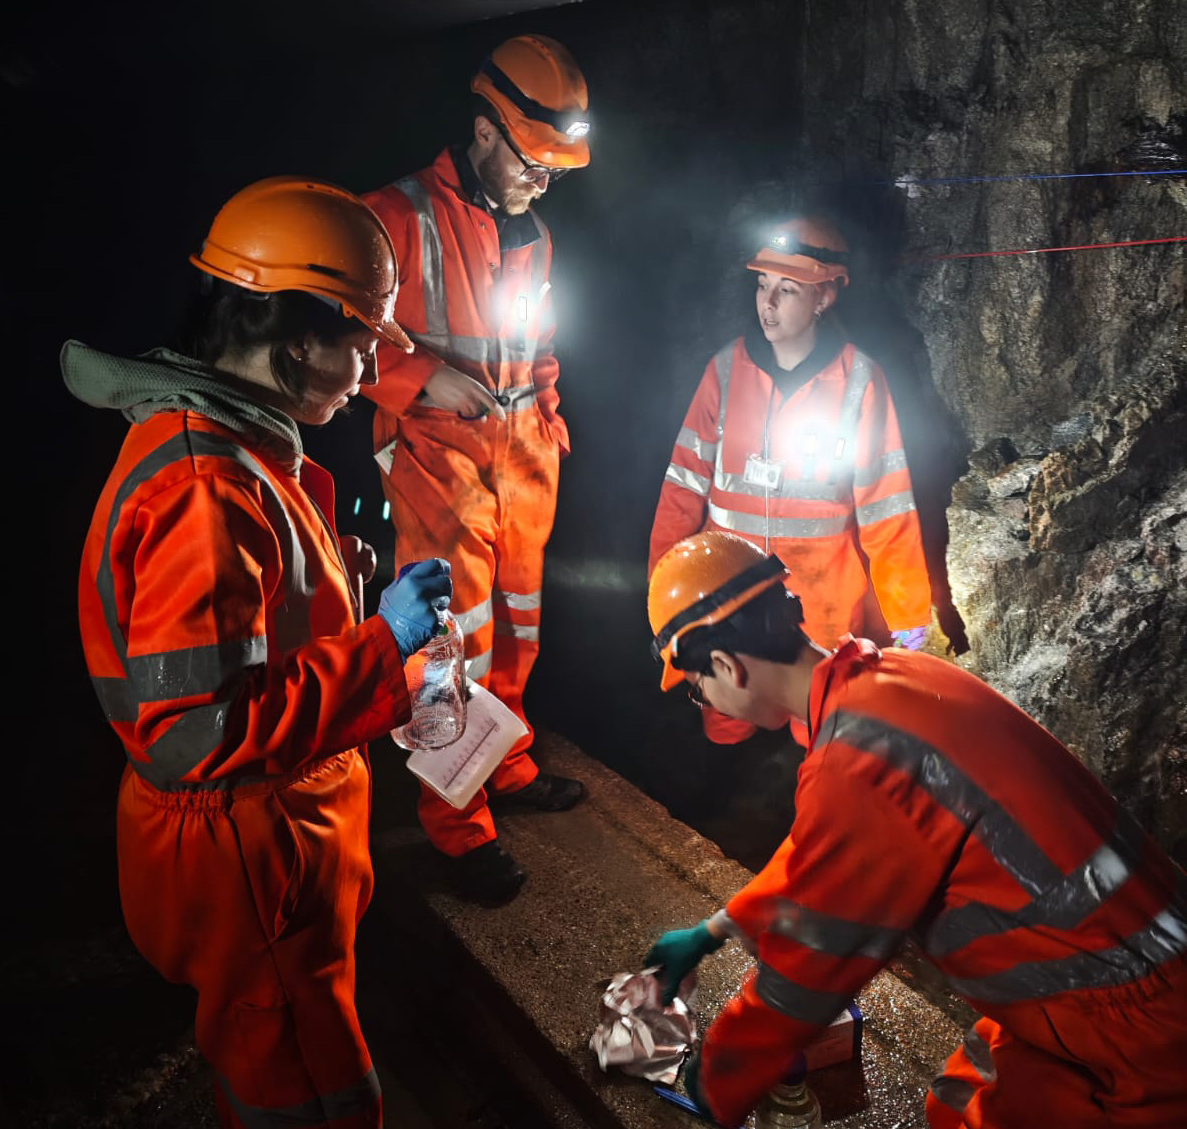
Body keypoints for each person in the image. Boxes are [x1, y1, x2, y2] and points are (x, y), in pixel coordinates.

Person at [66, 176, 455, 1129]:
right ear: (295, 341)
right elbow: (200, 730)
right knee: (315, 1098)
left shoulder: (230, 448)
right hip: (252, 868)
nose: (370, 369)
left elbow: (232, 636)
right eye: (360, 341)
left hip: (262, 850)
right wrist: (384, 640)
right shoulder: (207, 483)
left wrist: (333, 584)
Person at [643, 531, 1187, 1129]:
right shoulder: (893, 682)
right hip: (1116, 979)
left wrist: (719, 1079)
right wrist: (718, 926)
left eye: (700, 693)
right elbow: (825, 856)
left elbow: (810, 965)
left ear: (724, 666)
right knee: (956, 1103)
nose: (711, 705)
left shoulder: (859, 759)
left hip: (1140, 1034)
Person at [361, 34, 592, 903]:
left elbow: (542, 344)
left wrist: (547, 414)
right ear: (486, 132)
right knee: (450, 641)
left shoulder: (535, 233)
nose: (544, 181)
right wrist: (424, 377)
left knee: (518, 625)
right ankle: (457, 825)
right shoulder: (393, 215)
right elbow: (340, 336)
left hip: (520, 450)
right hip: (434, 452)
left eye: (555, 169)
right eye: (534, 162)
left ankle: (508, 762)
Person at [648, 216, 932, 746]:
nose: (767, 304)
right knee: (725, 719)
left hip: (821, 603)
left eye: (787, 289)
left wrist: (910, 614)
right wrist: (663, 594)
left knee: (822, 729)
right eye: (761, 285)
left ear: (825, 297)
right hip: (726, 599)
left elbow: (886, 505)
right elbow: (682, 488)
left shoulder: (860, 383)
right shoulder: (726, 371)